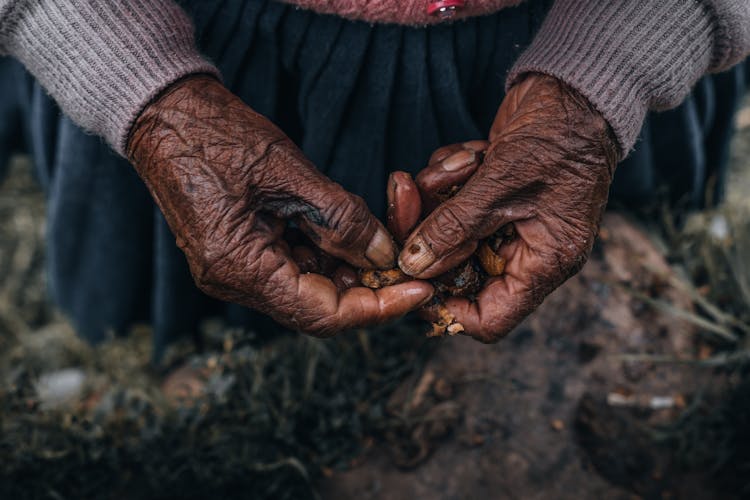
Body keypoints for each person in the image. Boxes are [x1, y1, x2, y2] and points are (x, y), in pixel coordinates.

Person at [0, 0, 747, 359]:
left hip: (581, 28)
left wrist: (620, 57)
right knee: (202, 340)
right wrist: (126, 72)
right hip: (184, 41)